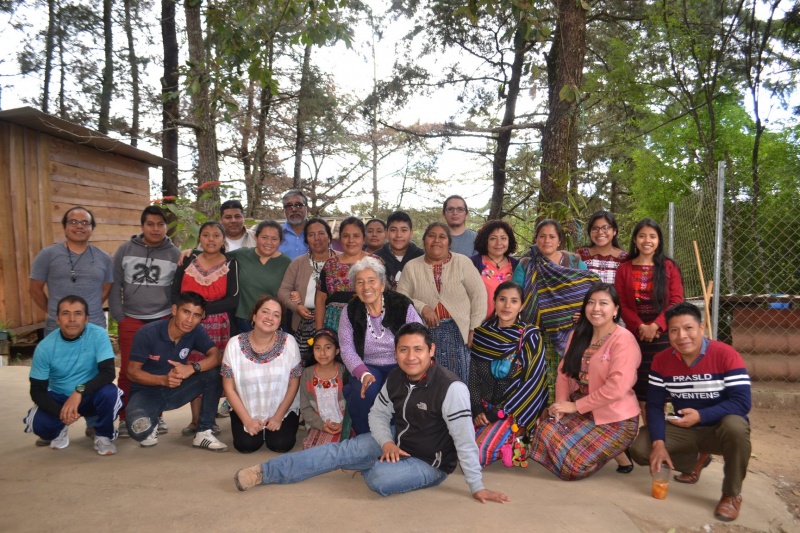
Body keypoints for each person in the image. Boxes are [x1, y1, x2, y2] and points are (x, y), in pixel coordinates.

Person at [233, 323, 511, 505]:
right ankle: (263, 473)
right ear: (396, 352)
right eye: (403, 350)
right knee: (338, 452)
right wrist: (387, 443)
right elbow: (378, 415)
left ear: (431, 351)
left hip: (429, 462)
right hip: (396, 441)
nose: (410, 357)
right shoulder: (396, 378)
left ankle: (370, 462)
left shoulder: (452, 388)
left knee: (378, 479)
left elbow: (464, 440)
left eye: (418, 349)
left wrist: (477, 485)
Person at [629, 302, 752, 522]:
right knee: (641, 448)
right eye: (674, 330)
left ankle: (731, 495)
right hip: (685, 426)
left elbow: (742, 403)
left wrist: (702, 416)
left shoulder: (725, 354)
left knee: (736, 426)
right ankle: (695, 458)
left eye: (688, 328)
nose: (682, 336)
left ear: (701, 328)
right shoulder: (662, 360)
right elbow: (655, 405)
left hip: (718, 428)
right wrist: (658, 444)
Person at [529, 284, 640, 480]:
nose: (596, 308)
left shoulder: (623, 340)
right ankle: (612, 450)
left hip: (615, 419)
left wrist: (575, 406)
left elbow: (616, 388)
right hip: (584, 412)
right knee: (545, 430)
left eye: (603, 303)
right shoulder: (578, 334)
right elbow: (564, 373)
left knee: (572, 469)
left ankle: (614, 447)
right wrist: (562, 406)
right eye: (591, 303)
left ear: (615, 310)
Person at [109, 205, 180, 438]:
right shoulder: (125, 249)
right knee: (129, 370)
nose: (155, 228)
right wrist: (119, 316)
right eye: (150, 224)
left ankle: (156, 416)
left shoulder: (173, 253)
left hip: (161, 319)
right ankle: (123, 417)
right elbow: (115, 284)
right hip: (131, 318)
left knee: (159, 368)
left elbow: (175, 289)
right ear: (142, 226)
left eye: (160, 224)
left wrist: (171, 319)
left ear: (166, 227)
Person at [126, 291, 228, 452]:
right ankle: (151, 423)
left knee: (213, 372)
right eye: (186, 312)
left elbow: (216, 356)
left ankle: (204, 431)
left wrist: (192, 368)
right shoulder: (147, 333)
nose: (189, 320)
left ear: (202, 317)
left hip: (177, 390)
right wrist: (162, 380)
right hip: (146, 393)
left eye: (196, 315)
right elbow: (132, 372)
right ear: (174, 310)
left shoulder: (196, 331)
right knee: (139, 431)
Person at [23, 296, 121, 456]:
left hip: (89, 395)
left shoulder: (98, 335)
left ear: (87, 318)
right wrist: (61, 412)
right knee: (39, 425)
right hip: (60, 398)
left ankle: (103, 435)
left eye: (78, 313)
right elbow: (37, 390)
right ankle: (60, 428)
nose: (72, 319)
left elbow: (108, 373)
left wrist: (79, 391)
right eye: (66, 313)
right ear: (57, 319)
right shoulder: (45, 347)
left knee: (110, 392)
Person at [513, 219, 598, 403]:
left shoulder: (573, 261)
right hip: (536, 332)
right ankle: (540, 416)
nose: (546, 240)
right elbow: (515, 294)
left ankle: (567, 415)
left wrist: (584, 314)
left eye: (552, 236)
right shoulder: (527, 263)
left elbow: (591, 288)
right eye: (542, 236)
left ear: (559, 240)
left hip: (571, 331)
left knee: (569, 375)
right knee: (539, 376)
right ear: (536, 239)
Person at [338, 257, 422, 434]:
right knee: (366, 390)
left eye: (371, 281)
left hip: (401, 364)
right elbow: (346, 348)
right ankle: (365, 440)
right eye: (359, 282)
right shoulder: (350, 310)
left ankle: (398, 437)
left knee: (398, 389)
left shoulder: (401, 305)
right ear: (355, 288)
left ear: (382, 284)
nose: (366, 287)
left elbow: (418, 338)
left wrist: (408, 366)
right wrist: (363, 373)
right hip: (367, 365)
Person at [469, 281, 547, 465]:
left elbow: (533, 381)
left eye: (513, 301)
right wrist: (477, 409)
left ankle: (518, 437)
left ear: (521, 306)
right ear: (494, 301)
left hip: (514, 408)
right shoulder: (481, 334)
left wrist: (498, 413)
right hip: (483, 407)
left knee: (476, 455)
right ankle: (504, 439)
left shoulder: (530, 335)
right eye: (502, 299)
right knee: (452, 445)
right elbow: (473, 376)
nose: (507, 305)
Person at [397, 222, 487, 384]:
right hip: (424, 333)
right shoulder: (411, 267)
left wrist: (474, 329)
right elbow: (401, 297)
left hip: (459, 332)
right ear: (424, 241)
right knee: (428, 382)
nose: (436, 240)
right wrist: (422, 307)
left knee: (458, 382)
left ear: (449, 242)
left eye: (442, 236)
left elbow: (479, 296)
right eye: (431, 236)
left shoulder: (463, 263)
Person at [172, 221, 239, 435]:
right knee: (191, 368)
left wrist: (201, 310)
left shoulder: (231, 263)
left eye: (216, 235)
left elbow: (233, 299)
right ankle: (194, 420)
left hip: (219, 325)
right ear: (199, 238)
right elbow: (174, 291)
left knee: (215, 371)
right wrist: (189, 314)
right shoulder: (187, 260)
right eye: (206, 235)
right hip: (188, 324)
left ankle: (209, 420)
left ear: (223, 240)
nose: (211, 239)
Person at [615, 218, 684, 406]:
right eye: (642, 236)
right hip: (635, 332)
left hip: (664, 332)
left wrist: (656, 325)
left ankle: (667, 430)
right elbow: (621, 303)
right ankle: (647, 429)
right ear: (635, 240)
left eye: (652, 236)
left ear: (659, 241)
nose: (647, 240)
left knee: (663, 381)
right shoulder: (624, 269)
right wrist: (640, 327)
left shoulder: (669, 267)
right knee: (640, 385)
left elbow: (677, 300)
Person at [221, 296, 302, 453]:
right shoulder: (234, 344)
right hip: (246, 408)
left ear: (279, 322)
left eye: (276, 315)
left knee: (280, 444)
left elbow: (294, 384)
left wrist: (278, 416)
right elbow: (229, 388)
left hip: (282, 408)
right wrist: (247, 420)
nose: (270, 318)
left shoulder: (289, 342)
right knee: (246, 445)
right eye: (265, 312)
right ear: (254, 316)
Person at [29, 206, 114, 335]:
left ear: (92, 228)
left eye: (85, 223)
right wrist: (55, 311)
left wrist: (88, 308)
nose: (79, 226)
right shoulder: (47, 255)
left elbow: (106, 289)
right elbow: (35, 289)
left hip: (94, 325)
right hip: (57, 327)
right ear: (64, 227)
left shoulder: (104, 258)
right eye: (73, 222)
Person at [278, 218, 335, 365]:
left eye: (321, 233)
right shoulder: (298, 262)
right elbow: (283, 291)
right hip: (303, 321)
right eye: (311, 234)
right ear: (306, 239)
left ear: (329, 237)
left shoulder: (340, 260)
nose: (317, 238)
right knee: (305, 364)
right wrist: (296, 307)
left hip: (334, 321)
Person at [225, 220, 292, 334]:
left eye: (274, 239)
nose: (268, 242)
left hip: (270, 321)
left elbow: (291, 289)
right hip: (243, 320)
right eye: (264, 237)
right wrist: (190, 252)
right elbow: (215, 256)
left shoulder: (286, 263)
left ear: (280, 242)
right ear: (256, 238)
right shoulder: (242, 254)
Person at [315, 217, 376, 333]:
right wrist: (319, 331)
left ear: (364, 239)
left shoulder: (376, 263)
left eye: (356, 236)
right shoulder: (330, 265)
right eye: (346, 236)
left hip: (369, 324)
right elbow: (320, 299)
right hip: (334, 324)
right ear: (340, 239)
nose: (351, 240)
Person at [300, 329, 352, 449]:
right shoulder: (307, 374)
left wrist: (343, 424)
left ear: (337, 350)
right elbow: (305, 407)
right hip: (318, 425)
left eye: (328, 347)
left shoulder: (345, 371)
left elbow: (353, 404)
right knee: (312, 450)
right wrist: (321, 425)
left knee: (348, 448)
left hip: (343, 424)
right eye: (317, 348)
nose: (322, 353)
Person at [470, 220, 519, 318]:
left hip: (509, 325)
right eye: (493, 238)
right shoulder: (473, 263)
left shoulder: (516, 265)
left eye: (503, 238)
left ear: (509, 241)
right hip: (479, 324)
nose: (499, 243)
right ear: (485, 241)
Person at [574, 210, 629, 284]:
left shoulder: (625, 259)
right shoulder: (580, 255)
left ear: (614, 231)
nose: (600, 232)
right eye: (595, 228)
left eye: (605, 227)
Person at [374, 210, 424, 289]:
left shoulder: (422, 257)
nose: (398, 235)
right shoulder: (376, 258)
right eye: (393, 230)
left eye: (404, 230)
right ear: (386, 232)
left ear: (411, 233)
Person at [278, 189, 309, 259]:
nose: (294, 209)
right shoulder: (276, 235)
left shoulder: (319, 233)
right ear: (283, 211)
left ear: (307, 208)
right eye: (289, 206)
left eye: (298, 205)